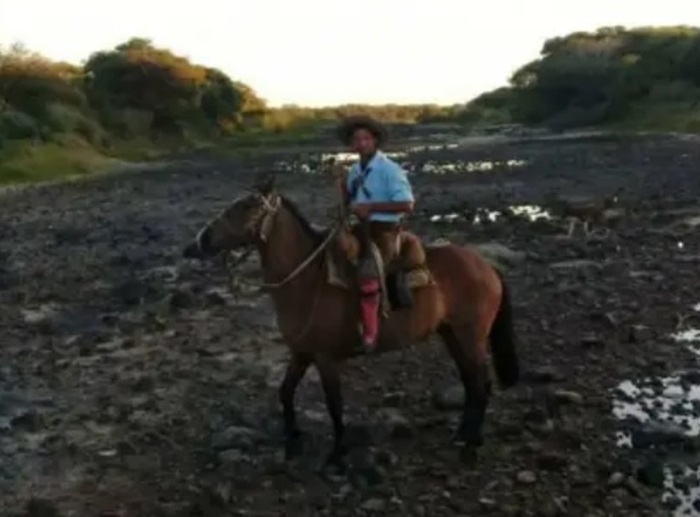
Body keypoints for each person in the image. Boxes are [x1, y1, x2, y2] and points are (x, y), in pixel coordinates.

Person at [334, 115, 416, 353]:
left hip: (384, 232)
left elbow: (407, 204)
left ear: (375, 141)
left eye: (366, 139)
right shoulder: (354, 170)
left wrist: (371, 207)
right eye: (356, 139)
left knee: (368, 274)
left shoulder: (390, 169)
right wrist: (341, 185)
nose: (361, 143)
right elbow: (349, 202)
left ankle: (371, 334)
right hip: (359, 229)